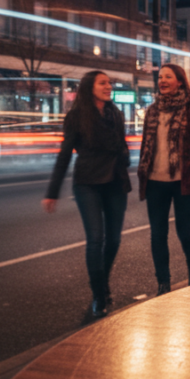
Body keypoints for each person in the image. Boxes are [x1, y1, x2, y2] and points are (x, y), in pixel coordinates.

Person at [42, 71, 131, 318]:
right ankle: (99, 295)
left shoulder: (115, 113)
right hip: (88, 183)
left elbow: (122, 144)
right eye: (103, 83)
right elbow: (64, 155)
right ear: (89, 87)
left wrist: (125, 157)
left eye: (109, 83)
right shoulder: (77, 117)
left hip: (115, 182)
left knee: (113, 240)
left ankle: (102, 283)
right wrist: (52, 192)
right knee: (96, 239)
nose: (108, 86)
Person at [137, 63, 190, 295]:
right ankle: (163, 282)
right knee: (158, 233)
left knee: (185, 231)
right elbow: (146, 145)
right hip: (155, 181)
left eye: (168, 77)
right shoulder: (152, 110)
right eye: (160, 77)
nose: (162, 81)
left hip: (185, 181)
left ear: (180, 81)